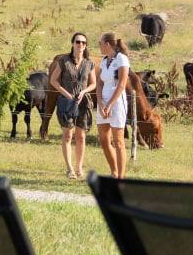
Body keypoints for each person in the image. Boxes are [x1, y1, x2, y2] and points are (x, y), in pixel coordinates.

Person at [48, 32, 96, 179]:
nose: (80, 45)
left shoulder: (89, 63)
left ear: (86, 45)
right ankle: (69, 169)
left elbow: (93, 83)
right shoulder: (64, 61)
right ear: (73, 44)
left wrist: (84, 91)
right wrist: (66, 94)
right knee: (68, 134)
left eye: (83, 42)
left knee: (81, 136)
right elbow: (53, 80)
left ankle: (79, 168)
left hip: (83, 101)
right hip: (66, 101)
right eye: (77, 42)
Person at [96, 32, 131, 180]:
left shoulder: (122, 59)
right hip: (103, 102)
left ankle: (120, 177)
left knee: (118, 140)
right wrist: (100, 102)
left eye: (100, 43)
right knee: (103, 139)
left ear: (108, 44)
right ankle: (114, 171)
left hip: (117, 103)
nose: (99, 46)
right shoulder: (104, 61)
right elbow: (99, 82)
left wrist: (110, 104)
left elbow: (122, 84)